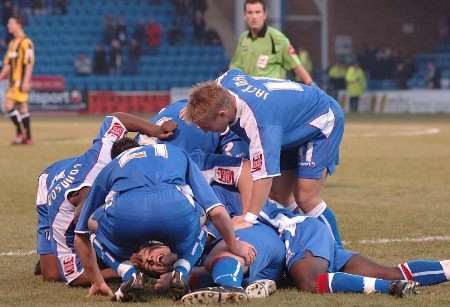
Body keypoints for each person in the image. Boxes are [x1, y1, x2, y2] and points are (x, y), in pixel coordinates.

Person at [74, 139, 256, 301]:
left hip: (126, 216)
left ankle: (129, 274)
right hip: (178, 213)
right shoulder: (176, 153)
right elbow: (216, 212)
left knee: (91, 227)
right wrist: (234, 244)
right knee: (202, 216)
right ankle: (182, 270)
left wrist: (97, 281)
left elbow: (80, 234)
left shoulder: (111, 167)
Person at [185, 68, 344, 246]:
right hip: (289, 122)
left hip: (320, 121)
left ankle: (338, 252)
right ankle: (300, 241)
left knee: (305, 197)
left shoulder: (260, 124)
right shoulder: (224, 83)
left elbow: (264, 175)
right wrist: (192, 106)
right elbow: (216, 86)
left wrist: (249, 217)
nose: (205, 131)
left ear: (222, 114)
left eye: (206, 125)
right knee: (279, 197)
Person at [35, 113, 177, 285]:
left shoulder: (106, 150)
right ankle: (59, 252)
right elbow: (75, 276)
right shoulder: (63, 216)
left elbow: (116, 119)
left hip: (76, 172)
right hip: (50, 183)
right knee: (52, 274)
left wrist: (154, 129)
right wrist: (126, 270)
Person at [258, 200, 450, 297]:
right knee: (386, 272)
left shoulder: (232, 197)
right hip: (306, 234)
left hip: (298, 232)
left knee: (309, 281)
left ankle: (391, 289)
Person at [230, 0, 312, 84]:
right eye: (250, 13)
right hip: (249, 93)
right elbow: (235, 68)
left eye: (257, 12)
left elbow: (297, 67)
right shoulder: (243, 38)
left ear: (265, 15)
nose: (254, 16)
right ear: (244, 16)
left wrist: (314, 89)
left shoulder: (278, 38)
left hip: (272, 93)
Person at [0, 15, 34, 144]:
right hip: (13, 81)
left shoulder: (27, 42)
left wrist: (26, 81)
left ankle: (21, 133)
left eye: (10, 23)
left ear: (18, 25)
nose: (8, 26)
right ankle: (28, 137)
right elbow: (8, 65)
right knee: (22, 107)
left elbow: (29, 63)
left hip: (20, 82)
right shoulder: (12, 44)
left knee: (8, 105)